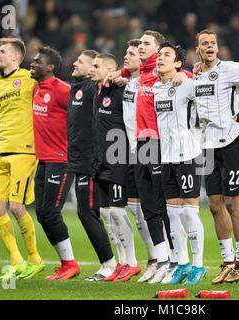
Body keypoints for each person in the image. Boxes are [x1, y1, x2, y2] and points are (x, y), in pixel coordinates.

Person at [106, 30, 190, 283]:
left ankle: (178, 260)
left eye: (146, 44)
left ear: (159, 49)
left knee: (164, 205)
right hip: (140, 144)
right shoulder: (141, 74)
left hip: (158, 143)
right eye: (139, 43)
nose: (141, 47)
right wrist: (121, 74)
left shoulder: (163, 73)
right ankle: (162, 260)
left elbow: (185, 75)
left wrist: (184, 75)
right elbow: (129, 72)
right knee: (147, 205)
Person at [194, 30, 239, 284]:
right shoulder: (196, 75)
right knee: (214, 205)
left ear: (217, 47)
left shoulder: (231, 69)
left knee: (233, 203)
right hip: (208, 147)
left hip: (233, 143)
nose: (210, 46)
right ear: (198, 49)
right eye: (205, 43)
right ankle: (228, 260)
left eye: (213, 42)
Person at [0, 37, 44, 280]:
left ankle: (35, 259)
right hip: (3, 153)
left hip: (25, 152)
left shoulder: (30, 79)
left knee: (17, 206)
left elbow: (49, 95)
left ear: (16, 57)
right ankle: (17, 261)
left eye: (2, 51)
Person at [154, 41, 206, 285]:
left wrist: (186, 76)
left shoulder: (185, 84)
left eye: (166, 55)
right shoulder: (156, 88)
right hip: (167, 157)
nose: (159, 58)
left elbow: (205, 88)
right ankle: (182, 264)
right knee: (172, 214)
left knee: (189, 211)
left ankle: (198, 265)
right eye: (159, 55)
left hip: (188, 155)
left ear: (177, 63)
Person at [30, 46, 80, 280]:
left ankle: (71, 264)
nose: (33, 63)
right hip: (43, 161)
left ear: (50, 67)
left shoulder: (62, 90)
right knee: (41, 213)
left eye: (38, 61)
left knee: (51, 211)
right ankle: (65, 263)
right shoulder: (36, 90)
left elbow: (81, 117)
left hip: (61, 161)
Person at [66, 50, 116, 282]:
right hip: (80, 161)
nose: (75, 63)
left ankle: (109, 264)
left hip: (90, 162)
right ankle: (115, 263)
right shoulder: (78, 88)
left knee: (88, 212)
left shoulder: (91, 88)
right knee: (93, 212)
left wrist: (113, 75)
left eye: (82, 62)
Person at [90, 53, 140, 282]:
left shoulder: (119, 91)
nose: (92, 69)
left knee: (119, 212)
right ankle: (121, 262)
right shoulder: (97, 93)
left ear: (111, 69)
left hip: (118, 161)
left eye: (96, 66)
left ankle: (132, 262)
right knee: (106, 214)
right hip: (100, 163)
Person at [121, 39, 157, 282]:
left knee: (158, 207)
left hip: (151, 146)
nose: (127, 56)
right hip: (133, 149)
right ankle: (153, 257)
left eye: (132, 53)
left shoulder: (153, 77)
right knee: (136, 207)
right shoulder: (127, 82)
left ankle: (167, 258)